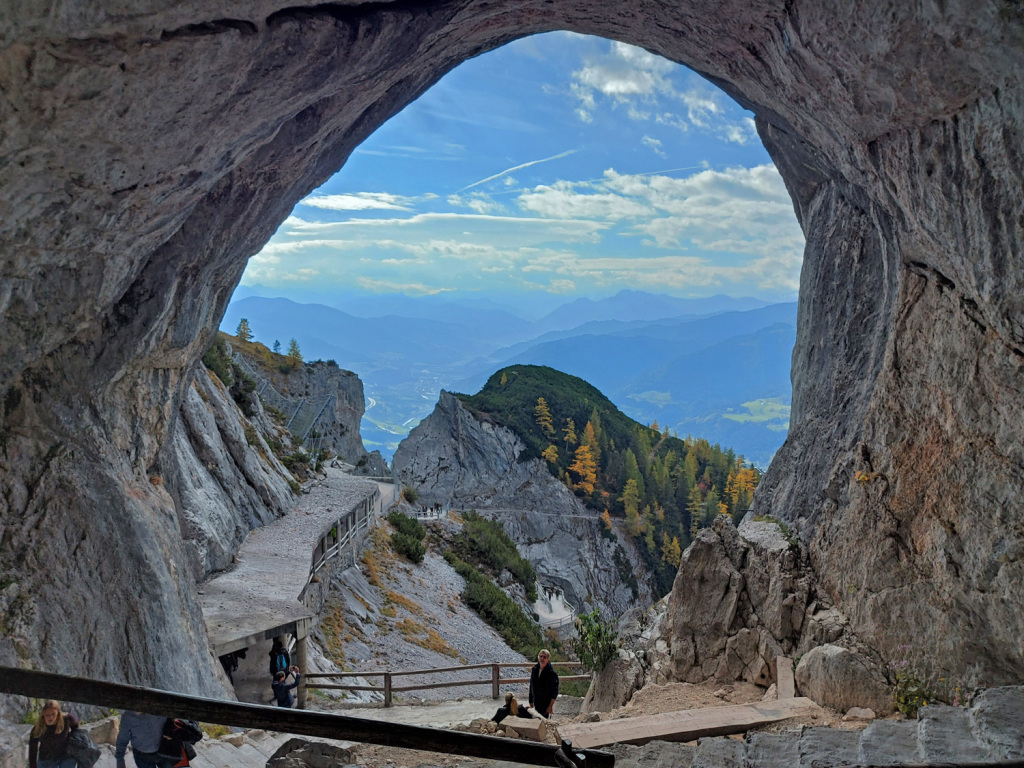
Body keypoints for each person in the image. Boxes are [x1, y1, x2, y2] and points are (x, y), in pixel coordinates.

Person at [28, 700, 79, 768]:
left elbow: (76, 727)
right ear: (43, 715)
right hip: (47, 759)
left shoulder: (66, 720)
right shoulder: (38, 728)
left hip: (65, 756)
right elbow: (32, 750)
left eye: (53, 714)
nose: (50, 717)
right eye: (47, 715)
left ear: (58, 713)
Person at [528, 649, 559, 719]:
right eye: (541, 656)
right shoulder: (534, 670)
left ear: (548, 659)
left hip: (545, 704)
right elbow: (531, 685)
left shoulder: (552, 674)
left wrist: (550, 706)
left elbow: (555, 692)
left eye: (544, 657)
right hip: (536, 701)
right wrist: (530, 700)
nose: (542, 658)